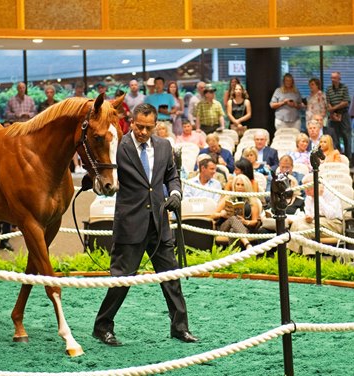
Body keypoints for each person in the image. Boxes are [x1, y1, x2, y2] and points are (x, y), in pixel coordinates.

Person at [93, 103, 198, 346]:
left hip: (159, 223)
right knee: (121, 280)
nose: (143, 131)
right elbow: (103, 172)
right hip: (130, 224)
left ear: (156, 126)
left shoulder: (164, 145)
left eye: (148, 128)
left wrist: (175, 194)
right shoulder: (119, 145)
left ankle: (180, 328)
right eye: (139, 126)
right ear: (131, 122)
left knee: (171, 277)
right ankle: (102, 326)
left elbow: (172, 175)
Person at [288, 173, 342, 256]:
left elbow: (331, 215)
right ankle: (292, 255)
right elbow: (309, 212)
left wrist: (319, 197)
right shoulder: (309, 197)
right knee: (296, 224)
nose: (306, 191)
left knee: (303, 228)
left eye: (308, 188)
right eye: (305, 188)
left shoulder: (331, 193)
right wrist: (308, 216)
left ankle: (309, 257)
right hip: (315, 222)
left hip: (333, 223)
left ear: (317, 185)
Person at [212, 174, 261, 250]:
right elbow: (213, 215)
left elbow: (255, 221)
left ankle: (234, 255)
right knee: (233, 218)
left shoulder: (253, 201)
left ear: (247, 186)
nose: (240, 187)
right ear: (234, 186)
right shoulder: (227, 197)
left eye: (242, 185)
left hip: (244, 228)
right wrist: (221, 214)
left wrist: (245, 222)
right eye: (237, 184)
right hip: (225, 227)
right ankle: (247, 244)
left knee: (233, 230)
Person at [326, 71, 351, 161]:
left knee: (346, 137)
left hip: (343, 115)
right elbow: (328, 102)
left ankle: (348, 159)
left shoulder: (344, 88)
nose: (333, 80)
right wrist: (332, 112)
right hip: (333, 115)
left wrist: (334, 109)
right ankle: (337, 158)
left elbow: (345, 102)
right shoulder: (329, 89)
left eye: (335, 78)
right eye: (332, 78)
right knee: (334, 138)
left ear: (339, 78)